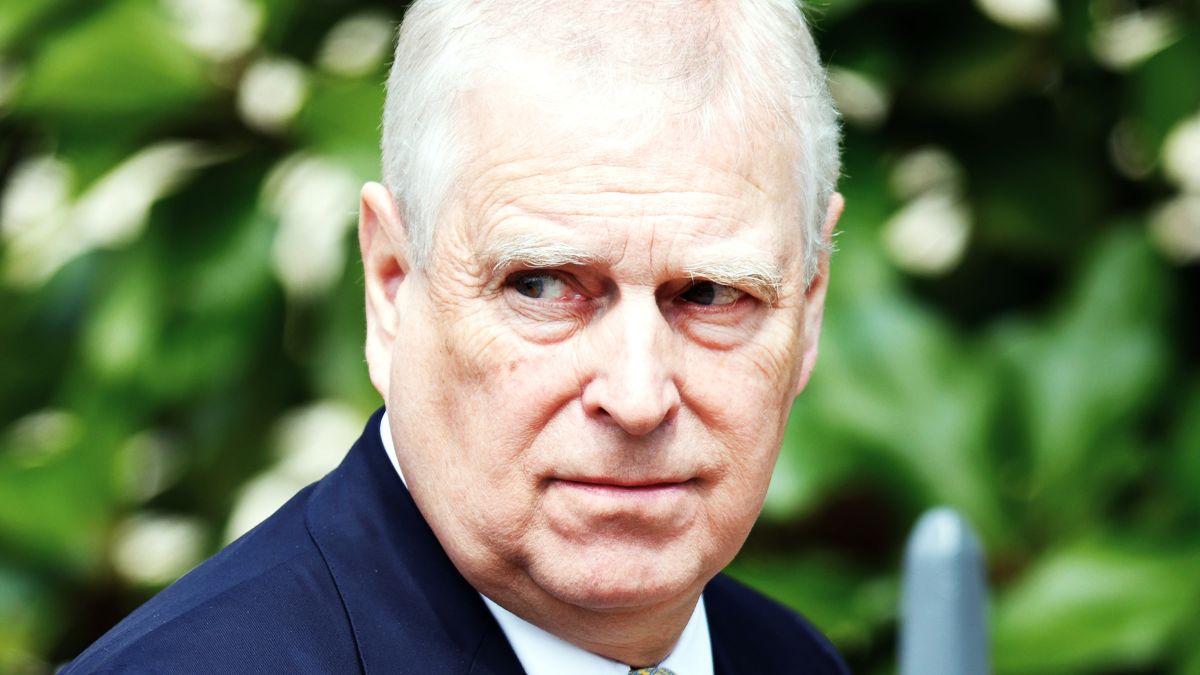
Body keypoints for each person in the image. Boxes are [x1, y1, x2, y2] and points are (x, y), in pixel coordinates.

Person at [65, 0, 847, 672]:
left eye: (710, 294)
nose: (638, 397)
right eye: (541, 286)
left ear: (808, 307)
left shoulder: (790, 658)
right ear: (392, 284)